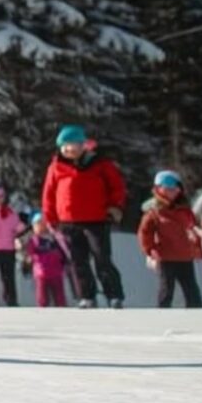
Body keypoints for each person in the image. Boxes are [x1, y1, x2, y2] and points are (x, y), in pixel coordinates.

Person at [41, 125, 129, 308]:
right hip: (69, 222)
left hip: (96, 220)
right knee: (78, 262)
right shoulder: (55, 167)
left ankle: (114, 295)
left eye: (72, 144)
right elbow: (48, 195)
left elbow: (117, 187)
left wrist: (115, 207)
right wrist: (50, 218)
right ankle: (87, 296)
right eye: (64, 146)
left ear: (83, 145)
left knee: (102, 259)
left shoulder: (101, 164)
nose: (68, 149)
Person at [137, 171, 202, 309]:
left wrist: (198, 248)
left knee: (191, 290)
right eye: (167, 188)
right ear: (158, 189)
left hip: (185, 256)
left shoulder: (185, 210)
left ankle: (197, 314)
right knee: (166, 289)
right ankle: (162, 314)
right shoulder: (153, 212)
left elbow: (193, 229)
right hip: (165, 257)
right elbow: (144, 233)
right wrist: (150, 249)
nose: (172, 192)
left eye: (175, 188)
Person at [28, 224, 72, 308]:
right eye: (38, 224)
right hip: (41, 272)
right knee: (42, 296)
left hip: (56, 271)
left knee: (59, 295)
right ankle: (42, 310)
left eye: (43, 224)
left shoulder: (56, 237)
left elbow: (63, 252)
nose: (41, 226)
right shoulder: (33, 240)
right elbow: (30, 254)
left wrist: (63, 260)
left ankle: (62, 309)